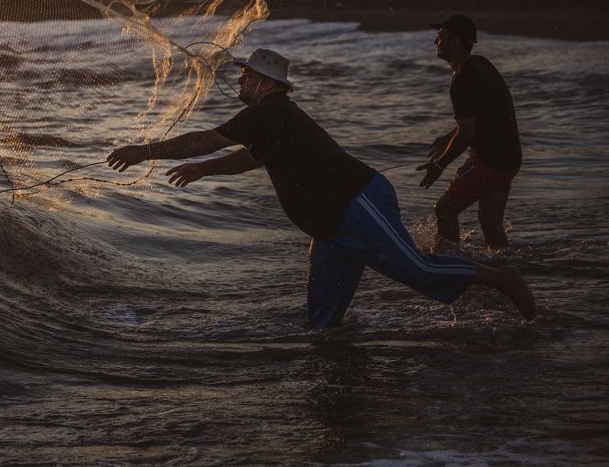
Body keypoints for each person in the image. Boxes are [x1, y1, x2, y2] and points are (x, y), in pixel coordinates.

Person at [108, 48, 535, 329]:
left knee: (420, 272)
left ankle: (503, 277)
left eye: (245, 76)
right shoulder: (272, 119)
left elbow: (207, 138)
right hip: (329, 225)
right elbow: (253, 158)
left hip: (356, 201)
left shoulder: (269, 111)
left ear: (266, 83)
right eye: (241, 76)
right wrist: (204, 171)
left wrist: (144, 152)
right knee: (323, 321)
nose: (239, 83)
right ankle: (338, 371)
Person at [417, 15, 521, 251]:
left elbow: (465, 136)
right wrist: (449, 136)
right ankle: (503, 268)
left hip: (488, 161)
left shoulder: (461, 78)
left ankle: (448, 265)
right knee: (491, 223)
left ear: (455, 43)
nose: (436, 42)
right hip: (511, 159)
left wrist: (438, 165)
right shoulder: (481, 64)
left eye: (441, 37)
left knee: (444, 209)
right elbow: (485, 113)